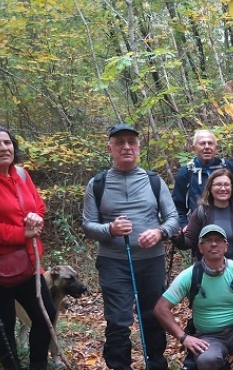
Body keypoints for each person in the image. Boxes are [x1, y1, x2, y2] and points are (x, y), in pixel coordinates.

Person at [81, 124, 179, 370]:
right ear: (110, 148)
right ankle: (119, 366)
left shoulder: (154, 182)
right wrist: (110, 230)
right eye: (120, 142)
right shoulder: (97, 184)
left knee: (153, 314)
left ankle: (156, 364)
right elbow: (88, 225)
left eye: (131, 142)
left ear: (138, 147)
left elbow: (173, 219)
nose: (126, 147)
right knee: (117, 320)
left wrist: (159, 232)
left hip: (151, 261)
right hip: (114, 262)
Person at [0, 125, 56, 370]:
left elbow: (39, 207)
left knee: (46, 315)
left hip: (28, 261)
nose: (4, 147)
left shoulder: (22, 175)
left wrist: (35, 217)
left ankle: (38, 365)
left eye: (7, 142)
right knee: (4, 321)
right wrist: (21, 233)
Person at [154, 224, 233, 370]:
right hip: (209, 336)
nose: (214, 244)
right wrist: (184, 338)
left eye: (218, 240)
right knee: (208, 360)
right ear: (200, 247)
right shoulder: (190, 275)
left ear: (226, 246)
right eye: (208, 240)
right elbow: (160, 308)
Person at [176, 168, 233, 292]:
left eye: (226, 184)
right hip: (210, 274)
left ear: (232, 188)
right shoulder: (202, 213)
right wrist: (177, 237)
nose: (223, 188)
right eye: (218, 184)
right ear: (210, 188)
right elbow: (188, 242)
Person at [172, 129, 233, 227]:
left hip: (230, 225)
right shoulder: (186, 173)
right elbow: (178, 206)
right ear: (194, 148)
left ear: (216, 148)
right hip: (198, 228)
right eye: (202, 143)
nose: (207, 147)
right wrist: (185, 226)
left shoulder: (227, 167)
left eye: (210, 143)